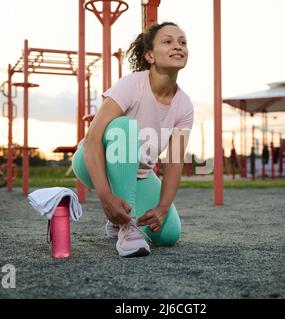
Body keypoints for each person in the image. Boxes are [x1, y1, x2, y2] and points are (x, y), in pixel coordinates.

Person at [72, 22, 193, 257]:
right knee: (124, 126)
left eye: (183, 42)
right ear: (149, 55)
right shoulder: (132, 85)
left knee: (168, 235)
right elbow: (93, 138)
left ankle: (118, 220)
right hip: (91, 161)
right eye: (168, 41)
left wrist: (162, 208)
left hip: (138, 175)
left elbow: (175, 161)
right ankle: (126, 227)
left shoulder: (184, 104)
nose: (178, 46)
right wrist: (106, 198)